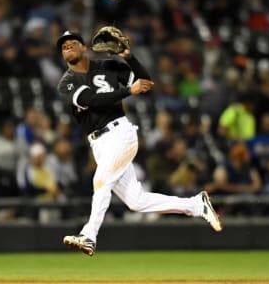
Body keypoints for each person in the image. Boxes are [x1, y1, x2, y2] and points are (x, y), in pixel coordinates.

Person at [55, 30, 222, 256]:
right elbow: (91, 101)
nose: (68, 47)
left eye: (73, 43)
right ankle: (195, 205)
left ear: (84, 47)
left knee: (101, 180)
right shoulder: (67, 82)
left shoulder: (108, 66)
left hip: (119, 133)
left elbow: (146, 82)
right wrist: (127, 91)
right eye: (64, 46)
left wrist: (129, 57)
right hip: (99, 144)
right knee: (136, 201)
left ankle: (89, 235)